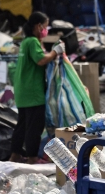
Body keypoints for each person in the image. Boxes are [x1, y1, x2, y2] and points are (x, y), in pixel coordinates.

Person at [9, 12, 65, 164]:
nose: (46, 30)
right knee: (35, 126)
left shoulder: (26, 42)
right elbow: (41, 60)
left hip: (22, 90)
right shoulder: (32, 41)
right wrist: (56, 51)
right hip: (32, 91)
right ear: (38, 26)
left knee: (22, 125)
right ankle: (32, 157)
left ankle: (15, 155)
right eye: (45, 26)